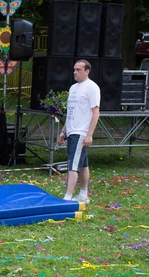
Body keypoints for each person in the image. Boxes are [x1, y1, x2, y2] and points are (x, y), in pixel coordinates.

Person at [58, 59, 100, 204]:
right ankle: (83, 194)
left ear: (87, 71)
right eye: (74, 69)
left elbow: (95, 112)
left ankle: (68, 196)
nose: (75, 72)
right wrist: (64, 131)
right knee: (83, 164)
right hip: (71, 131)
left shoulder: (92, 87)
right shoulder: (73, 88)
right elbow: (70, 112)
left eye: (78, 70)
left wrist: (89, 134)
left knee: (73, 164)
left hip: (80, 132)